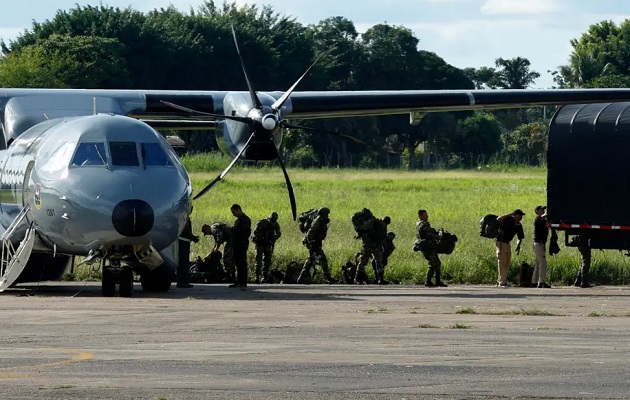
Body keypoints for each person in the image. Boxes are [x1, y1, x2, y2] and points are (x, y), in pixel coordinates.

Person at [297, 207, 335, 284]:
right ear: (322, 215)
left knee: (310, 261)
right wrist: (312, 244)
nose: (327, 216)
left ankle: (300, 278)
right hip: (313, 244)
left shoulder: (322, 221)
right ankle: (328, 278)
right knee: (323, 259)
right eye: (326, 214)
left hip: (316, 243)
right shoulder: (317, 223)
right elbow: (309, 234)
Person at [416, 209, 447, 287]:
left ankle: (436, 281)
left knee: (436, 263)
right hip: (427, 247)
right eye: (425, 215)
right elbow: (428, 234)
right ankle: (429, 281)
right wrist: (438, 236)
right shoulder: (422, 224)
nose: (427, 216)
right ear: (420, 216)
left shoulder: (422, 223)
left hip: (429, 246)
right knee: (433, 263)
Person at [495, 209, 525, 287]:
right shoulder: (507, 219)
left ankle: (504, 280)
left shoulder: (518, 225)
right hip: (501, 241)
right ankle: (501, 281)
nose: (521, 217)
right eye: (519, 215)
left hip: (508, 242)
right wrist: (510, 214)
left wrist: (518, 245)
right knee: (502, 261)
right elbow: (498, 219)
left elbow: (520, 237)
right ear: (515, 215)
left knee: (507, 262)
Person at [355, 215, 389, 285]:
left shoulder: (384, 227)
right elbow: (362, 229)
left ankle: (380, 279)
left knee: (379, 262)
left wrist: (382, 247)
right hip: (368, 245)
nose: (384, 225)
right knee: (363, 261)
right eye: (384, 223)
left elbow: (383, 238)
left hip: (376, 246)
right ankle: (358, 278)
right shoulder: (373, 223)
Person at [252, 212, 281, 283]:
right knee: (258, 262)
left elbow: (278, 233)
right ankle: (257, 277)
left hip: (268, 244)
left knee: (267, 261)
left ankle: (265, 277)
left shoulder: (276, 225)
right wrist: (260, 239)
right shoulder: (261, 223)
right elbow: (255, 233)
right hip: (260, 244)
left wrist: (275, 237)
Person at [230, 204, 251, 290]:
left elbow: (242, 232)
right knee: (237, 263)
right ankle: (238, 281)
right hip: (237, 244)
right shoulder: (238, 220)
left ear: (238, 210)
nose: (233, 214)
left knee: (242, 263)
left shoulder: (245, 220)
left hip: (242, 244)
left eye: (234, 212)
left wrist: (232, 229)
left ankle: (243, 282)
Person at [177, 215, 199, 288]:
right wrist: (193, 237)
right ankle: (182, 282)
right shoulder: (184, 218)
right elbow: (185, 231)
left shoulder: (184, 217)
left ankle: (182, 281)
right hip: (183, 241)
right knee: (183, 262)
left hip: (184, 241)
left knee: (183, 262)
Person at [531, 205, 551, 288]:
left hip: (540, 244)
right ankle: (541, 282)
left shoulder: (542, 220)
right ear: (537, 211)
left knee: (538, 263)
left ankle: (534, 281)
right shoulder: (538, 219)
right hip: (538, 244)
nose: (543, 210)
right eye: (541, 209)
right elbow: (545, 216)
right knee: (543, 263)